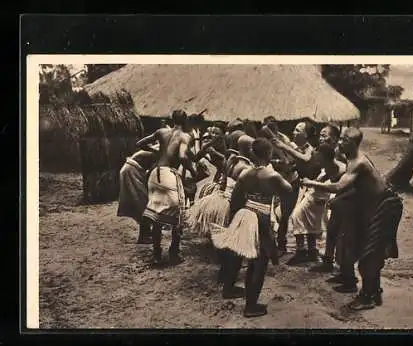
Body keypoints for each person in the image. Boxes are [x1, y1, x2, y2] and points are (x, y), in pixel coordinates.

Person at [301, 127, 403, 311]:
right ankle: (374, 292)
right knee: (365, 248)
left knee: (369, 255)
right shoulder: (351, 159)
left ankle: (367, 297)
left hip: (385, 206)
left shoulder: (359, 162)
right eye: (340, 139)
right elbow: (355, 189)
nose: (339, 142)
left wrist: (311, 183)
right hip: (373, 206)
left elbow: (339, 186)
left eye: (344, 140)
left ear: (353, 143)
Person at [211, 138, 292, 317]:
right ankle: (251, 306)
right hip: (262, 217)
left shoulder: (245, 174)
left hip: (245, 213)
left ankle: (231, 290)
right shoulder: (272, 176)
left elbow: (236, 201)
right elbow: (288, 190)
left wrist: (237, 220)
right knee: (258, 264)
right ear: (269, 154)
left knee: (240, 254)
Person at [271, 123, 343, 265]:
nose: (321, 138)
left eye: (325, 135)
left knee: (304, 218)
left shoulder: (335, 152)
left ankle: (310, 252)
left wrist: (284, 147)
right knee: (309, 220)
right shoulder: (318, 149)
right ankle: (311, 251)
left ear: (334, 138)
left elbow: (311, 162)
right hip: (316, 187)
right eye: (320, 135)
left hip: (328, 189)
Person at [136, 109, 199, 265]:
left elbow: (140, 144)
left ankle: (156, 254)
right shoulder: (185, 136)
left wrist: (157, 153)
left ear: (171, 119)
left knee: (157, 213)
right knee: (179, 214)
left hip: (154, 174)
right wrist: (192, 170)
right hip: (169, 175)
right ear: (185, 122)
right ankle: (174, 252)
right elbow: (183, 157)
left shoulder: (161, 131)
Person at [260, 116, 301, 257]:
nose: (271, 129)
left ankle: (281, 243)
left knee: (284, 213)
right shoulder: (264, 142)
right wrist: (277, 161)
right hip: (275, 180)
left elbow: (295, 158)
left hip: (290, 179)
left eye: (273, 126)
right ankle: (272, 242)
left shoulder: (284, 140)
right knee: (271, 213)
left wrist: (287, 162)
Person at [117, 146, 159, 244]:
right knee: (144, 203)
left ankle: (146, 233)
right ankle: (144, 236)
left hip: (132, 169)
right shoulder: (159, 152)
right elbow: (151, 173)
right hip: (131, 170)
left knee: (143, 202)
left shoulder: (158, 149)